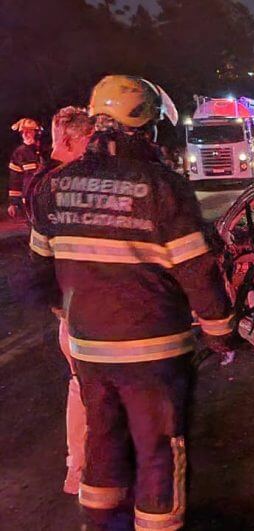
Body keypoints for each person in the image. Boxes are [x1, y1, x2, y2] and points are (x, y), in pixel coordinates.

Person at [29, 75, 236, 530]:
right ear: (149, 126)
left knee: (102, 440)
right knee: (158, 447)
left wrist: (70, 315)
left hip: (89, 348)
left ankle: (98, 523)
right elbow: (196, 270)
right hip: (154, 349)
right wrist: (221, 330)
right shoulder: (163, 186)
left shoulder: (54, 184)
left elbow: (40, 267)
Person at [25, 106, 96, 495]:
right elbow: (42, 258)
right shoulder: (55, 182)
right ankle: (84, 469)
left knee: (82, 387)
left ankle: (81, 469)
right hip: (80, 309)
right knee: (87, 388)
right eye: (87, 142)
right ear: (68, 139)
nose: (92, 151)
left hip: (74, 305)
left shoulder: (46, 180)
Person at [8, 117, 43, 219]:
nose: (25, 134)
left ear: (37, 133)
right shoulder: (19, 153)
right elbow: (15, 180)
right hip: (29, 200)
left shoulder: (47, 150)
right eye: (23, 132)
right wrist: (13, 203)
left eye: (28, 131)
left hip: (47, 198)